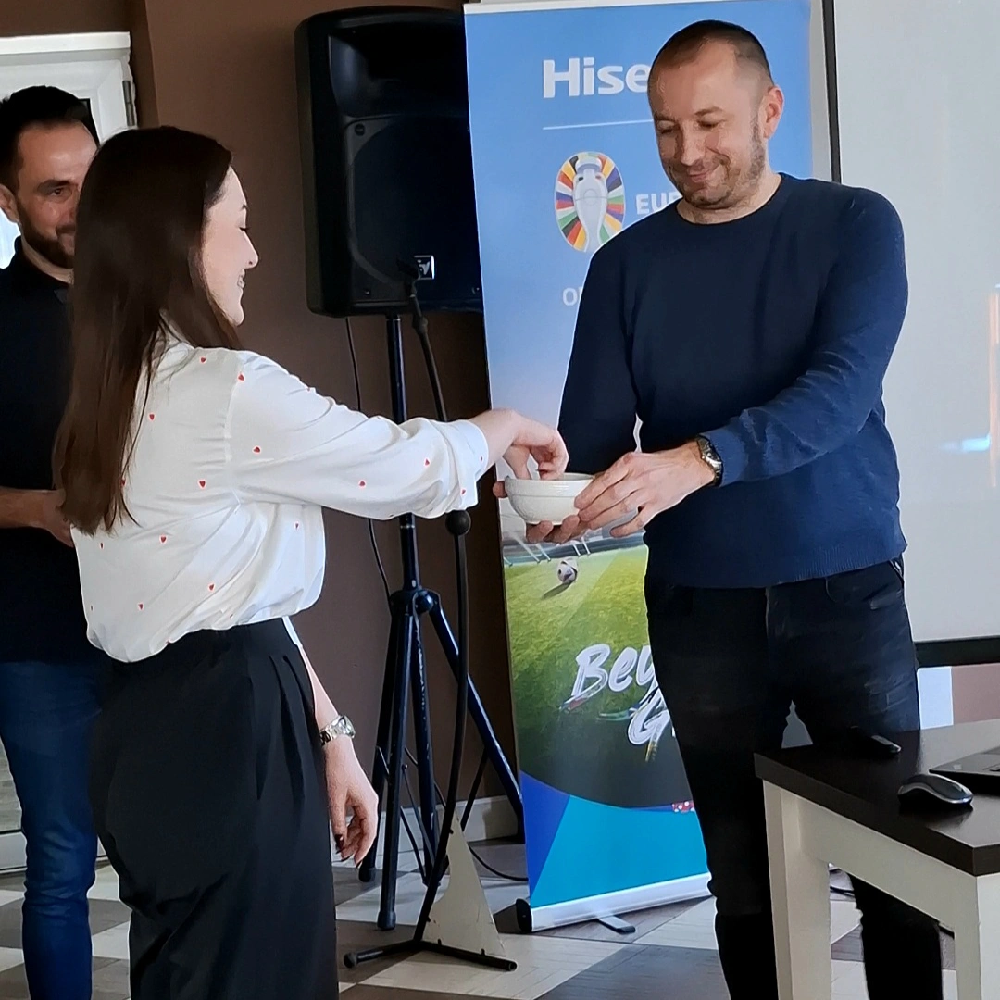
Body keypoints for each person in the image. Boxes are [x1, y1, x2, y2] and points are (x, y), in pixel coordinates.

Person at [52, 123, 567, 1000]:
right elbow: (406, 466)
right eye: (240, 223)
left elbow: (236, 598)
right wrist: (506, 425)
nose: (253, 252)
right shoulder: (222, 388)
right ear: (182, 238)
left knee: (194, 973)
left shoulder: (108, 391)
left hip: (148, 726)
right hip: (230, 728)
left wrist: (329, 734)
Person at [535, 19, 944, 1000]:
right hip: (699, 607)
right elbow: (591, 438)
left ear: (769, 111)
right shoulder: (624, 265)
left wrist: (701, 458)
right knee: (742, 873)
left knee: (898, 866)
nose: (687, 150)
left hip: (845, 593)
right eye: (666, 128)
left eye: (710, 123)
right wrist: (557, 492)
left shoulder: (855, 225)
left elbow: (838, 394)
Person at [0, 86, 104, 1000]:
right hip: (39, 642)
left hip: (166, 632)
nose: (79, 209)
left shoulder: (159, 301)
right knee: (63, 861)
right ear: (8, 201)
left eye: (90, 183)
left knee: (174, 853)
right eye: (53, 191)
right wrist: (35, 509)